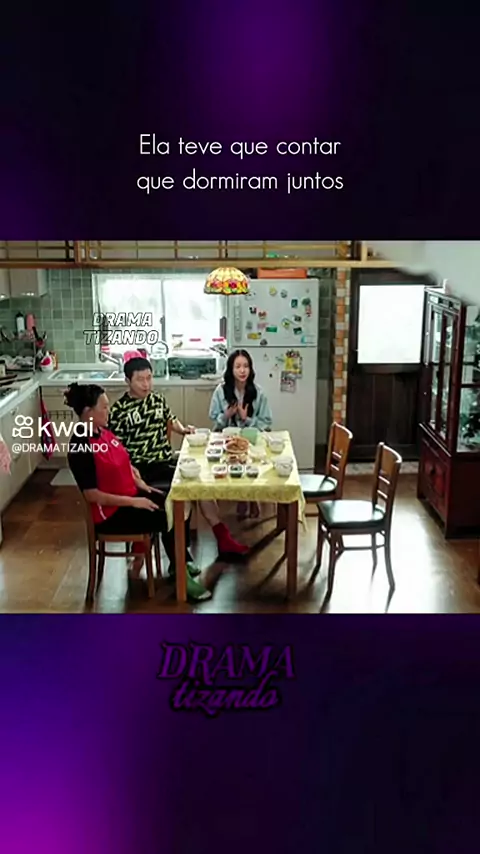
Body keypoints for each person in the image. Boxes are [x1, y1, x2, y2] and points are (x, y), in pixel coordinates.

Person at [65, 383, 211, 602]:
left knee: (176, 498)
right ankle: (182, 577)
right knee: (171, 513)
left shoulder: (102, 432)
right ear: (88, 412)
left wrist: (139, 482)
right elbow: (92, 495)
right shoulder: (81, 446)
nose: (108, 411)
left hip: (131, 494)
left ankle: (179, 564)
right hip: (113, 514)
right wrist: (134, 502)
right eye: (104, 407)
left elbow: (122, 462)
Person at [108, 356, 249, 557]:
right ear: (127, 381)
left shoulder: (157, 399)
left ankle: (221, 538)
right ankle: (179, 558)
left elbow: (171, 420)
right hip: (142, 469)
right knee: (180, 496)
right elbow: (116, 449)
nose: (146, 384)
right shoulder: (119, 410)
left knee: (200, 483)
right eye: (140, 380)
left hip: (165, 462)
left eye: (149, 378)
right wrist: (131, 471)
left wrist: (183, 430)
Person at [209, 349, 273, 519]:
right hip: (226, 440)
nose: (242, 370)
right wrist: (226, 415)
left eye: (246, 366)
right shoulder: (220, 391)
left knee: (252, 460)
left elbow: (266, 422)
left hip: (251, 440)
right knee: (228, 460)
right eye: (237, 366)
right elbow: (214, 419)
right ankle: (241, 498)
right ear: (231, 369)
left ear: (251, 369)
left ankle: (250, 498)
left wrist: (247, 419)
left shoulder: (258, 392)